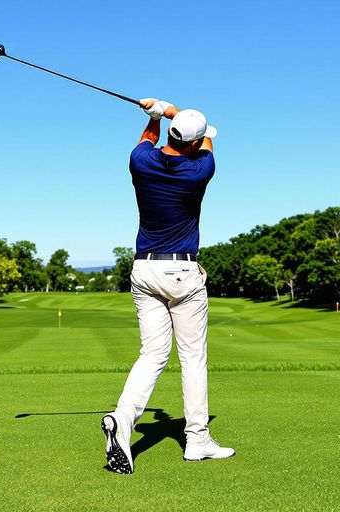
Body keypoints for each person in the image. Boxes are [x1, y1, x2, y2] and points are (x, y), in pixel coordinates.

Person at [101, 98, 235, 474]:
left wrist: (155, 114)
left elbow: (147, 137)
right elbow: (209, 137)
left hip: (144, 271)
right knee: (192, 358)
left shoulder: (140, 163)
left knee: (152, 355)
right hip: (182, 273)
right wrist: (170, 108)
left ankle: (123, 420)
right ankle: (197, 439)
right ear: (191, 143)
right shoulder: (200, 170)